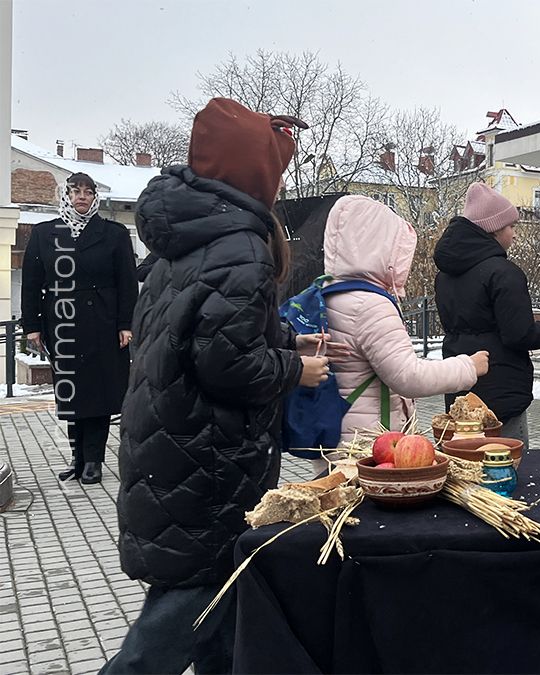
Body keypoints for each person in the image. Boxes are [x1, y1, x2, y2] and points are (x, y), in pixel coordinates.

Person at [103, 98, 331, 674]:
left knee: (220, 619)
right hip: (206, 461)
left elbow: (198, 332)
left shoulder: (192, 237)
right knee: (181, 617)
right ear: (256, 175)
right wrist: (293, 370)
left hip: (174, 446)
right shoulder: (242, 246)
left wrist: (282, 341)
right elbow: (225, 365)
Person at [321, 194, 489, 462]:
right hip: (371, 447)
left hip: (336, 436)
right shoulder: (370, 305)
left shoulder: (329, 293)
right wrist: (468, 366)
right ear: (380, 247)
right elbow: (408, 377)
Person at [20, 172, 137, 485]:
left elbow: (127, 281)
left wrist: (126, 323)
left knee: (98, 393)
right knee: (72, 393)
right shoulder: (45, 233)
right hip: (62, 324)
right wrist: (32, 325)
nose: (81, 197)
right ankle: (77, 457)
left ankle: (93, 461)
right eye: (75, 191)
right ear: (65, 195)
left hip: (102, 322)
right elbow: (31, 282)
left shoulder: (113, 233)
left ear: (95, 196)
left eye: (87, 192)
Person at [434, 182, 540, 448]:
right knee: (506, 461)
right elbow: (518, 334)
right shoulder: (504, 273)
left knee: (464, 457)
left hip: (460, 377)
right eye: (511, 227)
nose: (514, 234)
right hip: (501, 384)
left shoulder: (445, 274)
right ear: (494, 229)